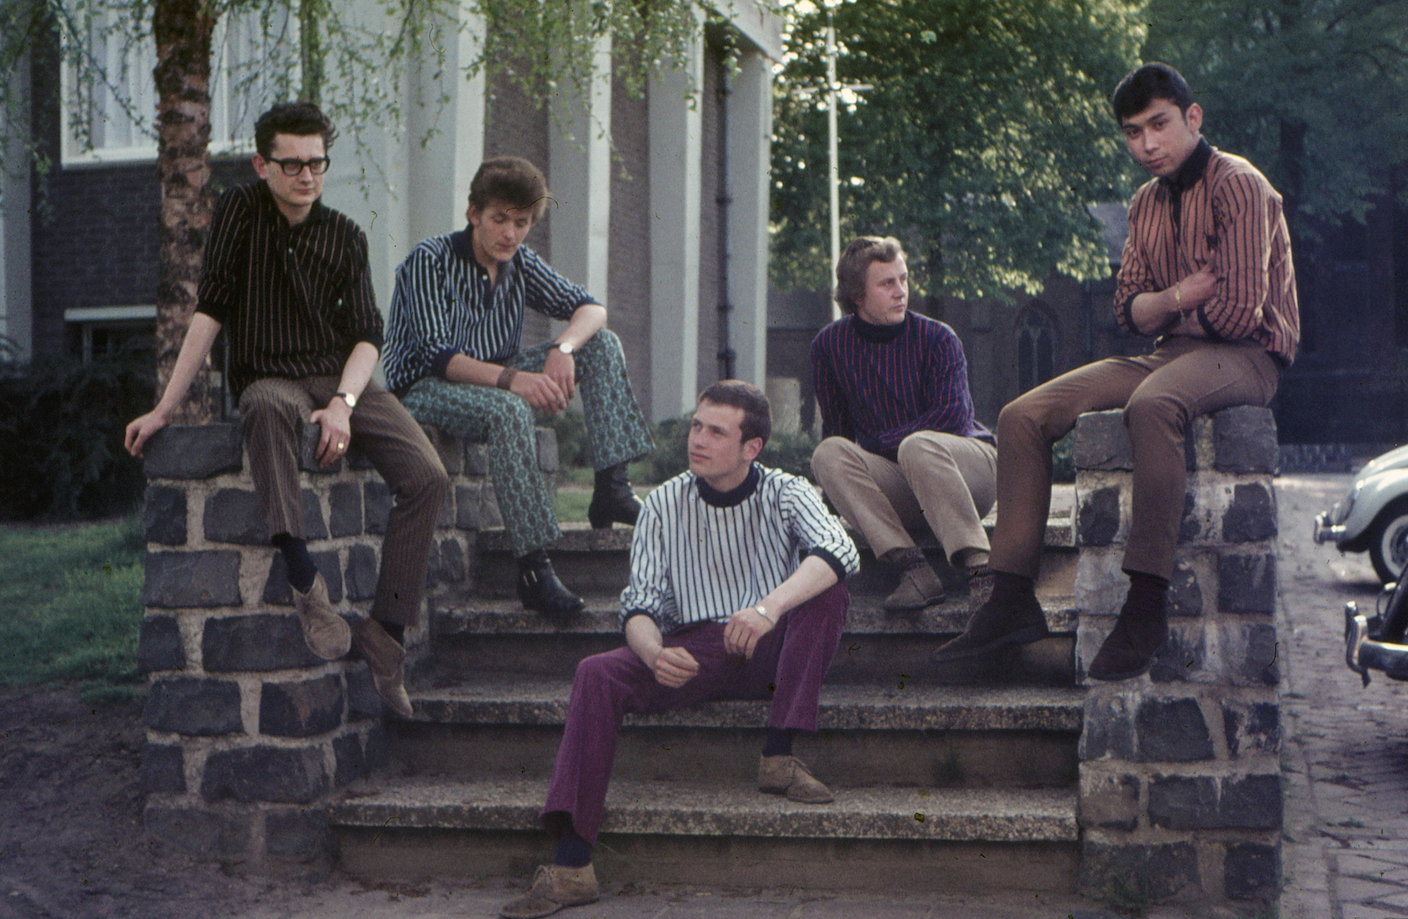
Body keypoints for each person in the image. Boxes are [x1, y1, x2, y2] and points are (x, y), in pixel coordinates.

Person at [934, 62, 1298, 681]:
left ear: (1192, 118)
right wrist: (1180, 295)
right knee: (1022, 415)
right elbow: (1127, 308)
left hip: (1251, 357)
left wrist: (1163, 303)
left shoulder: (1240, 185)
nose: (1147, 144)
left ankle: (1146, 604)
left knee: (1153, 405)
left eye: (1159, 125)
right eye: (1133, 133)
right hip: (1171, 352)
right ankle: (1011, 595)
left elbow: (1239, 316)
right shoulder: (1144, 203)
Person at [126, 102, 448, 718]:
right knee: (266, 409)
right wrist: (166, 407)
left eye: (317, 163)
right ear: (262, 164)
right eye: (292, 163)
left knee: (427, 476)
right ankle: (306, 585)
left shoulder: (346, 236)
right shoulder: (242, 212)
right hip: (271, 376)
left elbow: (366, 337)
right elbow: (210, 309)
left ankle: (388, 634)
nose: (307, 175)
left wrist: (344, 407)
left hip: (338, 377)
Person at [498, 381, 859, 919]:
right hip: (696, 652)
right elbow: (639, 605)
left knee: (828, 589)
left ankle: (779, 754)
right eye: (696, 425)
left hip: (772, 650)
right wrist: (652, 654)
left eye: (717, 431)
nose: (699, 439)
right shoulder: (663, 504)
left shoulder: (786, 490)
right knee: (597, 674)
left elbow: (839, 549)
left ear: (751, 447)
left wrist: (766, 610)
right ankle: (572, 867)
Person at [383, 156, 654, 619]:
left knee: (601, 344)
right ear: (474, 215)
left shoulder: (520, 262)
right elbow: (438, 356)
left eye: (522, 222)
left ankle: (612, 485)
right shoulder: (430, 261)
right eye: (499, 220)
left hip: (496, 375)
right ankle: (534, 570)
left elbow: (592, 309)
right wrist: (515, 381)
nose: (510, 233)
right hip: (424, 387)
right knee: (509, 409)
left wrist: (563, 349)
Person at [810, 236, 996, 613]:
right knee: (827, 454)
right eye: (887, 283)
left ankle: (984, 578)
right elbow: (839, 432)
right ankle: (914, 571)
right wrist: (844, 489)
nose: (901, 292)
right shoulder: (829, 346)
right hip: (902, 480)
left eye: (904, 280)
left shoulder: (938, 338)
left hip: (966, 471)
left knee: (919, 446)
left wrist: (877, 442)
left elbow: (951, 420)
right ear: (857, 296)